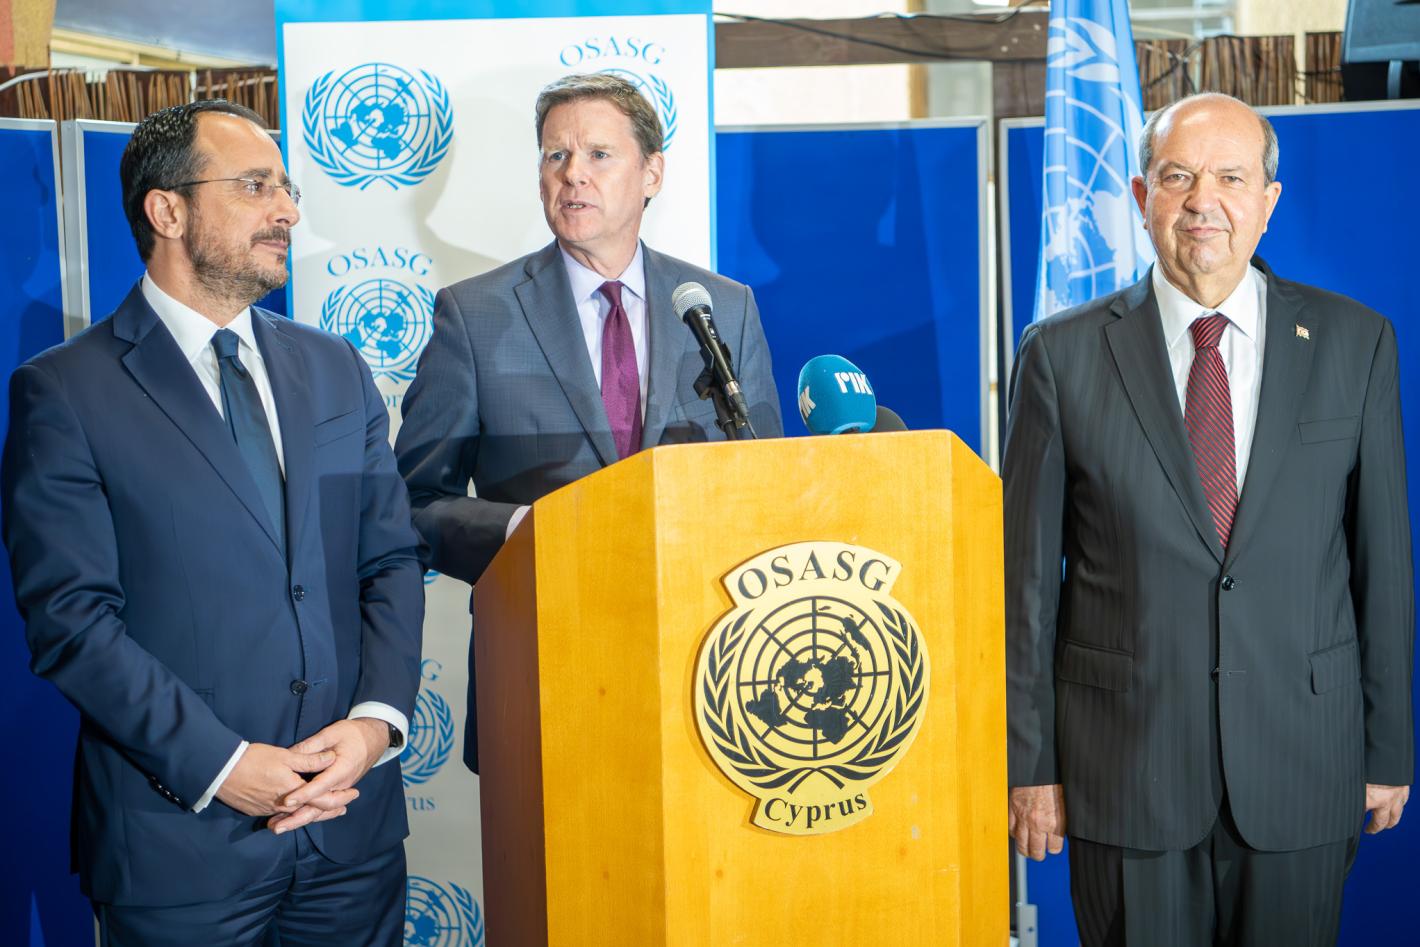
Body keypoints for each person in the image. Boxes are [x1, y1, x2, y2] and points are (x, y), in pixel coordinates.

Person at [1, 100, 424, 945]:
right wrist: (224, 765)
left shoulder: (335, 367)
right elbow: (72, 621)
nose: (288, 210)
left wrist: (375, 724)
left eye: (288, 188)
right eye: (256, 186)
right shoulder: (66, 391)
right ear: (168, 210)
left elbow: (388, 559)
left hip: (349, 831)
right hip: (179, 849)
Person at [1003, 92, 1413, 945]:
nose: (1203, 202)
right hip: (1126, 770)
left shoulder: (1356, 343)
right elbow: (1025, 585)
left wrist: (1388, 747)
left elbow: (1383, 564)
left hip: (1304, 763)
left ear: (1268, 200)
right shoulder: (1060, 355)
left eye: (1231, 177)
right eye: (1177, 177)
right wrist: (1030, 762)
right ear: (1139, 194)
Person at [395, 72, 782, 773]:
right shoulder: (475, 314)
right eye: (556, 155)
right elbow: (413, 504)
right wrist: (524, 532)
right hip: (544, 662)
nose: (573, 173)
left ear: (652, 173)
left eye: (599, 154)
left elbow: (765, 489)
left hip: (709, 668)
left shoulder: (721, 307)